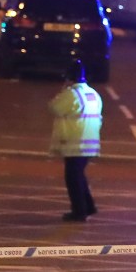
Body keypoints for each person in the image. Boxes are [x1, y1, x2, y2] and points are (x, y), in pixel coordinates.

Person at [49, 60, 103, 222]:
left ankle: (79, 211)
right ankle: (88, 206)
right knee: (78, 175)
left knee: (73, 177)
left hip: (74, 142)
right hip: (89, 142)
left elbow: (54, 107)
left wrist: (63, 89)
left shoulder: (72, 94)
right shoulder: (93, 94)